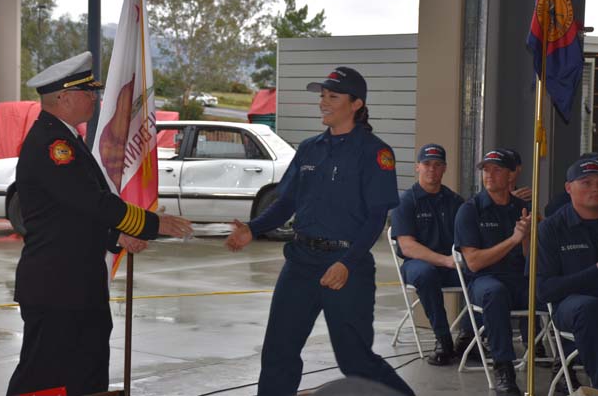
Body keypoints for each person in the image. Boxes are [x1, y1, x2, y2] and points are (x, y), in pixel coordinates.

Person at [6, 52, 193, 396]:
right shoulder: (53, 145)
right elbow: (91, 201)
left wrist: (117, 235)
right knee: (44, 379)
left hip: (76, 285)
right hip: (57, 287)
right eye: (86, 92)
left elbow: (72, 215)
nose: (94, 98)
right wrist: (151, 224)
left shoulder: (65, 139)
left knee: (85, 375)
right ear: (62, 99)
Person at [226, 67, 414, 396]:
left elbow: (375, 217)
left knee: (355, 360)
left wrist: (348, 262)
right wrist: (252, 229)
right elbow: (286, 203)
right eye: (322, 96)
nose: (323, 103)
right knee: (278, 352)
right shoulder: (310, 148)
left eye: (333, 96)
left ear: (356, 104)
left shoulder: (375, 153)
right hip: (300, 262)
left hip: (346, 265)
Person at [454, 149, 536, 396]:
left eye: (496, 169)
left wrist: (529, 238)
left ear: (512, 174)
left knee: (553, 288)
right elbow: (474, 262)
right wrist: (514, 239)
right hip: (484, 281)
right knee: (495, 292)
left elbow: (529, 258)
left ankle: (564, 366)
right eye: (485, 169)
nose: (489, 174)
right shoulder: (470, 209)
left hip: (518, 278)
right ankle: (504, 368)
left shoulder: (522, 208)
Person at [390, 143, 468, 366]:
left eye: (437, 165)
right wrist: (445, 260)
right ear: (417, 167)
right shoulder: (405, 202)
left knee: (482, 274)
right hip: (418, 264)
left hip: (451, 265)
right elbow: (407, 246)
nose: (431, 169)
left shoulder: (455, 202)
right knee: (425, 273)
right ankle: (443, 340)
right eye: (426, 164)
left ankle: (468, 337)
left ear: (444, 168)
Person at [537, 156, 598, 390]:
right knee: (589, 308)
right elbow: (544, 291)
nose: (595, 188)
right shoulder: (551, 229)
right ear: (568, 188)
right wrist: (593, 272)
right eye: (586, 182)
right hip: (570, 307)